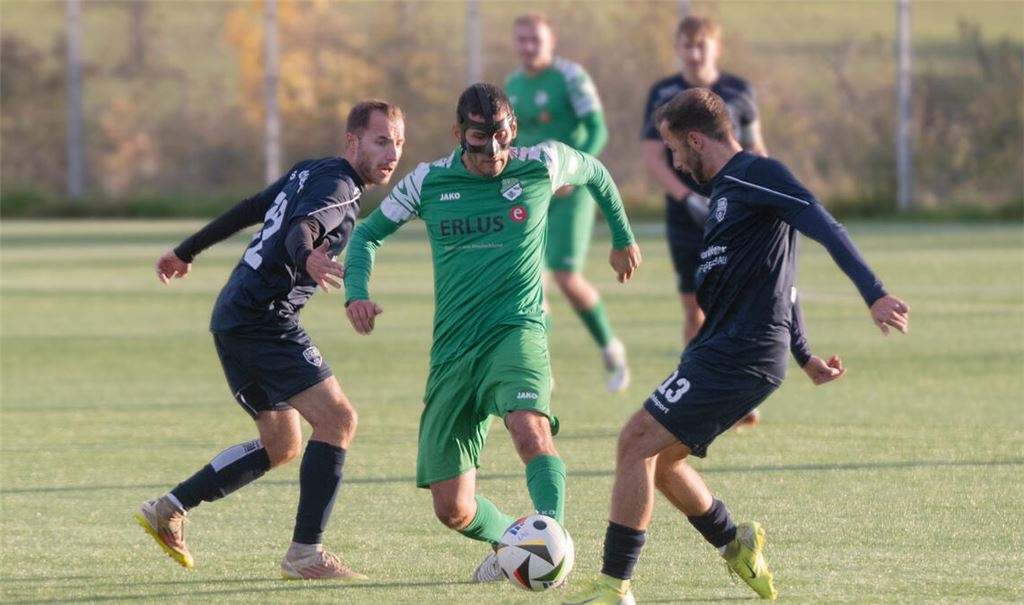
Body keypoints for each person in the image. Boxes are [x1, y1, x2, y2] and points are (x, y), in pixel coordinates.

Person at [564, 88, 910, 605]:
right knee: (659, 459)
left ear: (696, 139)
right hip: (723, 348)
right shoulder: (728, 190)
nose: (676, 163)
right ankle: (736, 543)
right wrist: (803, 353)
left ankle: (614, 587)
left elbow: (824, 225)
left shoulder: (759, 173)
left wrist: (875, 293)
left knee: (634, 441)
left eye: (676, 150)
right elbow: (780, 275)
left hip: (741, 352)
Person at [344, 83, 641, 583]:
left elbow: (595, 171)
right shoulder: (428, 181)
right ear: (460, 134)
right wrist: (356, 292)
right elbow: (367, 235)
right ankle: (515, 543)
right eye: (481, 142)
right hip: (454, 351)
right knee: (452, 508)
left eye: (502, 139)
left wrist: (622, 236)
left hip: (516, 331)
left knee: (530, 429)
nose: (494, 153)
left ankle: (552, 544)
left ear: (514, 130)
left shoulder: (541, 162)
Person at [136, 100, 405, 580]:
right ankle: (305, 555)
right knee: (339, 419)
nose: (391, 153)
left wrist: (184, 251)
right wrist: (310, 260)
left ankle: (169, 508)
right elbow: (301, 230)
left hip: (234, 313)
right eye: (381, 140)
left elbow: (250, 209)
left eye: (398, 143)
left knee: (281, 444)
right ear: (353, 141)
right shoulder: (340, 187)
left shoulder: (311, 171)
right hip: (263, 320)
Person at [643, 15, 768, 428]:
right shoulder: (663, 93)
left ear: (717, 47)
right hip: (686, 217)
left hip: (735, 216)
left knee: (739, 301)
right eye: (687, 46)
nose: (695, 54)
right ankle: (693, 395)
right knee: (695, 306)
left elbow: (755, 149)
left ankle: (739, 395)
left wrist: (766, 194)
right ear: (677, 48)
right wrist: (689, 198)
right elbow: (653, 159)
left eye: (702, 46)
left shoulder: (737, 92)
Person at [505, 13, 630, 392]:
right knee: (529, 279)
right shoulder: (512, 85)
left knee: (566, 277)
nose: (528, 47)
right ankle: (540, 365)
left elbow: (598, 128)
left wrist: (575, 171)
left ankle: (610, 348)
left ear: (551, 40)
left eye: (535, 40)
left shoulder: (570, 78)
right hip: (532, 193)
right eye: (522, 40)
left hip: (571, 191)